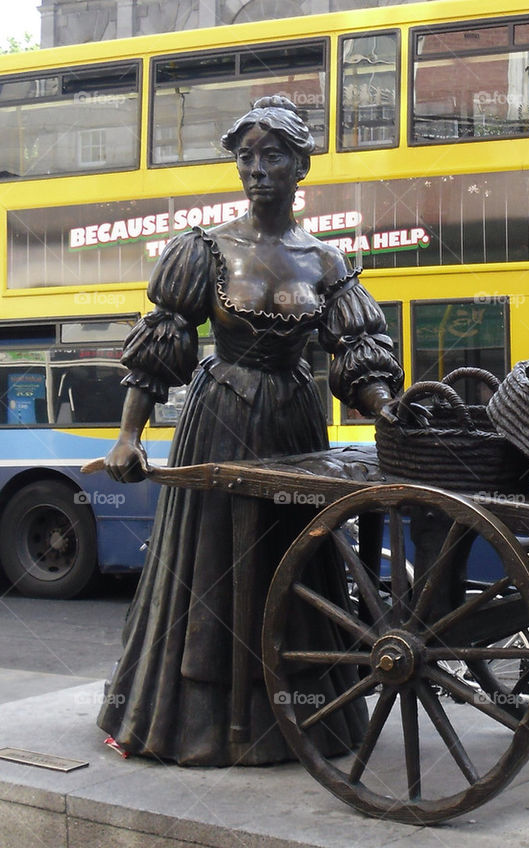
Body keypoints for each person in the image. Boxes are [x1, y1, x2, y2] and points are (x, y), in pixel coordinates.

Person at [97, 95, 403, 766]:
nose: (257, 170)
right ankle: (200, 723)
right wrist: (128, 436)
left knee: (297, 561)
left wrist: (383, 405)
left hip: (294, 427)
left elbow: (356, 351)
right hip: (221, 420)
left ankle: (301, 720)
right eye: (247, 158)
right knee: (209, 570)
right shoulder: (203, 251)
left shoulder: (326, 261)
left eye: (273, 157)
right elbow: (162, 346)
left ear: (300, 169)